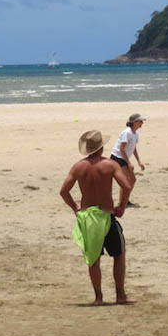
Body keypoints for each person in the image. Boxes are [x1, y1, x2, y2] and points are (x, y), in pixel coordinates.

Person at [60, 130, 135, 305]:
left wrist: (75, 208)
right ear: (101, 148)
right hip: (106, 215)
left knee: (93, 258)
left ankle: (98, 297)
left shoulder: (78, 167)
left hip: (88, 218)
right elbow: (126, 186)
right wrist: (121, 206)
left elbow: (64, 191)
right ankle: (120, 295)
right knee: (119, 255)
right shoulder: (110, 165)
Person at [110, 113, 146, 207]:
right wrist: (129, 163)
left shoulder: (136, 133)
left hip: (123, 158)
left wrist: (139, 161)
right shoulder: (127, 132)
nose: (142, 123)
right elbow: (122, 149)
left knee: (132, 180)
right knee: (127, 180)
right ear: (135, 122)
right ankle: (123, 202)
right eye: (140, 121)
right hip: (117, 158)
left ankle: (125, 200)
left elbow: (133, 148)